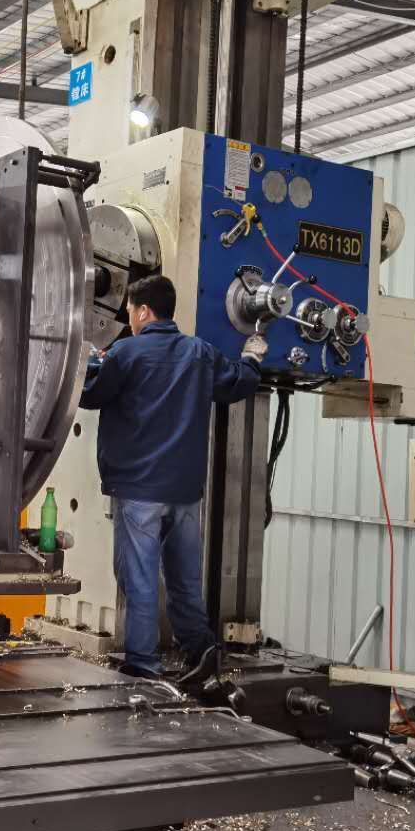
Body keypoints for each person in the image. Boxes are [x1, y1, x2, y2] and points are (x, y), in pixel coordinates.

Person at [79, 274, 268, 679]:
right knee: (184, 578)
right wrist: (253, 357)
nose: (129, 318)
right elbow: (237, 385)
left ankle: (143, 664)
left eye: (130, 311)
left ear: (144, 312)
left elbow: (89, 394)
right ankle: (200, 650)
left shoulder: (126, 353)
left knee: (140, 579)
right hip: (185, 491)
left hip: (138, 489)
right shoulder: (199, 352)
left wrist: (85, 361)